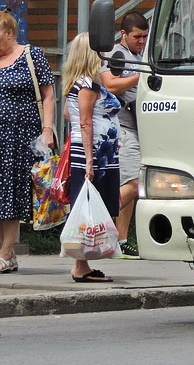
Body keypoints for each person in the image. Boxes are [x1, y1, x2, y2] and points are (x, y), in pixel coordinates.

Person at [64, 33, 122, 283]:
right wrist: (90, 161)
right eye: (100, 50)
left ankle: (82, 262)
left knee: (89, 207)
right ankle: (81, 264)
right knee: (88, 207)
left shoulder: (80, 83)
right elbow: (85, 122)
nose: (105, 54)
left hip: (98, 152)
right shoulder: (87, 84)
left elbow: (70, 116)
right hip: (94, 154)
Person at [0, 11, 55, 273]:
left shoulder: (32, 56)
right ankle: (6, 254)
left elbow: (48, 95)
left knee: (11, 193)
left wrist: (47, 130)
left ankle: (6, 251)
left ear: (9, 33)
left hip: (20, 137)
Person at [100, 10, 149, 259]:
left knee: (130, 182)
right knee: (134, 184)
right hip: (122, 126)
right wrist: (141, 78)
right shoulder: (116, 54)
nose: (141, 41)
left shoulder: (140, 54)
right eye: (137, 36)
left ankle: (122, 240)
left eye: (144, 37)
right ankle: (94, 223)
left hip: (136, 125)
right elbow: (109, 83)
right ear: (123, 34)